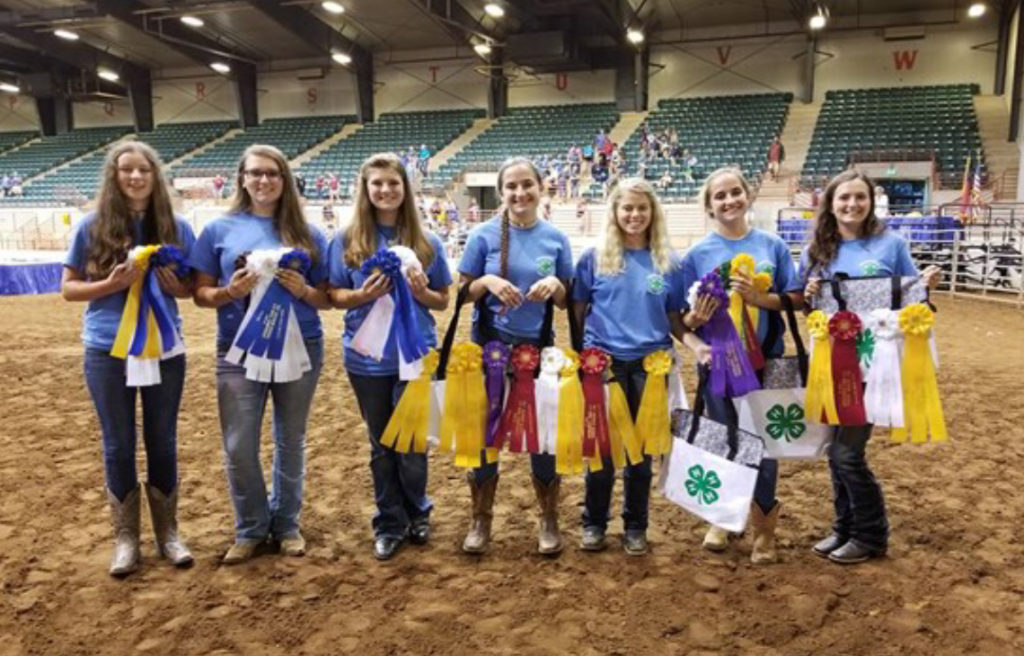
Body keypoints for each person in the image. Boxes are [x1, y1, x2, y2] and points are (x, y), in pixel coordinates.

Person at [191, 144, 330, 565]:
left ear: (284, 179)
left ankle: (286, 524)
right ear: (242, 179)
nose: (263, 180)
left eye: (272, 173)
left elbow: (327, 297)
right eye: (255, 173)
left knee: (291, 439)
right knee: (238, 444)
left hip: (300, 345)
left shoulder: (310, 234)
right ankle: (250, 526)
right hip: (237, 350)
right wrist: (228, 292)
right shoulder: (218, 231)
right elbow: (201, 293)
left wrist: (303, 291)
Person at [61, 141, 195, 577]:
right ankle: (125, 539)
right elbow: (69, 288)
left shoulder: (176, 227)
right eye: (127, 171)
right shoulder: (90, 227)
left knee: (162, 440)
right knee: (118, 443)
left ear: (155, 177)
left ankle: (168, 534)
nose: (136, 177)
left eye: (144, 171)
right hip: (106, 348)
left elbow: (190, 289)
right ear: (114, 177)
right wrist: (112, 285)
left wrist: (174, 284)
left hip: (164, 348)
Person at [800, 170, 941, 564]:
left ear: (870, 201)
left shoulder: (891, 244)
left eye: (859, 198)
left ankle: (871, 535)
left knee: (847, 453)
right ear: (831, 203)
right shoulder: (816, 251)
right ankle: (844, 527)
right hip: (832, 362)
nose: (852, 205)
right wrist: (809, 293)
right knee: (835, 450)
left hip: (874, 362)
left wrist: (925, 285)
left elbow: (912, 298)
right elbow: (805, 305)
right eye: (844, 198)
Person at [327, 153, 452, 561]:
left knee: (412, 443)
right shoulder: (346, 241)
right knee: (381, 444)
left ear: (405, 189)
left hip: (415, 355)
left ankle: (418, 510)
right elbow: (333, 296)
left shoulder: (427, 242)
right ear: (365, 189)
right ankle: (390, 520)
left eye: (393, 184)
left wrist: (420, 293)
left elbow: (442, 300)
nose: (385, 190)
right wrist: (361, 296)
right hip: (366, 359)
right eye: (377, 183)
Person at [680, 167, 803, 565]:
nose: (729, 200)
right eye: (720, 196)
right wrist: (697, 319)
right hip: (718, 363)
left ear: (748, 196)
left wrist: (758, 299)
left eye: (735, 192)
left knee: (764, 444)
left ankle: (764, 528)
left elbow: (796, 298)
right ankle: (723, 518)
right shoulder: (696, 255)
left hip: (767, 359)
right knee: (722, 440)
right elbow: (684, 319)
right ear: (709, 205)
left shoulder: (773, 246)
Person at [458, 156, 573, 555]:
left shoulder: (555, 239)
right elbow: (460, 293)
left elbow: (566, 304)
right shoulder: (482, 236)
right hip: (489, 349)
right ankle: (480, 520)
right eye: (511, 186)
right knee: (485, 435)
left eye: (527, 185)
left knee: (541, 437)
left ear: (541, 188)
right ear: (502, 191)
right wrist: (486, 281)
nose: (520, 193)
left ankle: (548, 519)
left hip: (537, 351)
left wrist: (557, 283)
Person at [573, 178, 689, 555]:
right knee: (601, 451)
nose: (634, 215)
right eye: (627, 208)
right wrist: (585, 356)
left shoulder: (669, 262)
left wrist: (697, 343)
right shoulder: (593, 259)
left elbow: (674, 318)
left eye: (641, 208)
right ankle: (593, 522)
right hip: (604, 366)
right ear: (615, 212)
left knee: (640, 453)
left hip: (651, 368)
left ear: (652, 211)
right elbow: (577, 311)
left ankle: (636, 525)